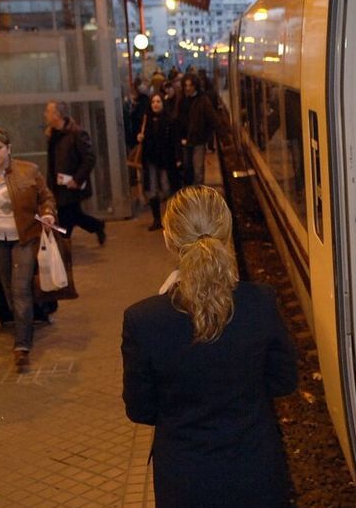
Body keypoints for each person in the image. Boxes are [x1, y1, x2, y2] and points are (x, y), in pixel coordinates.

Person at [121, 186, 297, 507]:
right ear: (227, 233)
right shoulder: (260, 302)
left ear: (168, 239)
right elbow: (284, 380)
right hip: (256, 471)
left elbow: (140, 408)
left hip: (185, 479)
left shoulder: (143, 320)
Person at [0, 128, 57, 369]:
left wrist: (47, 213)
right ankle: (28, 317)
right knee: (8, 288)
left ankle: (22, 345)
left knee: (19, 289)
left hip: (24, 238)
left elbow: (46, 198)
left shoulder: (28, 171)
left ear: (9, 148)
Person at [44, 100, 106, 244]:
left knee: (66, 218)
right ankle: (97, 225)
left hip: (71, 185)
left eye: (48, 111)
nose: (45, 114)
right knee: (74, 215)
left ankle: (63, 248)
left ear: (57, 114)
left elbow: (89, 158)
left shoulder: (77, 133)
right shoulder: (53, 134)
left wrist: (77, 179)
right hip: (57, 184)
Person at [138, 92, 178, 230]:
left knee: (167, 188)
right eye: (153, 102)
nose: (155, 104)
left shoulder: (170, 120)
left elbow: (174, 141)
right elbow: (139, 136)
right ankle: (157, 219)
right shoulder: (146, 120)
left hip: (166, 160)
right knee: (153, 190)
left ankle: (170, 218)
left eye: (158, 101)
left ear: (162, 104)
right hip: (150, 160)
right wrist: (139, 137)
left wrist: (178, 159)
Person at [177, 74, 217, 187]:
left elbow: (213, 119)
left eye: (190, 85)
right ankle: (191, 193)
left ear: (196, 86)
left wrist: (206, 136)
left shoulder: (202, 100)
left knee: (198, 170)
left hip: (198, 141)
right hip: (184, 140)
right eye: (186, 85)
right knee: (188, 168)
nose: (188, 88)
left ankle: (199, 194)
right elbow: (178, 120)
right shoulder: (182, 101)